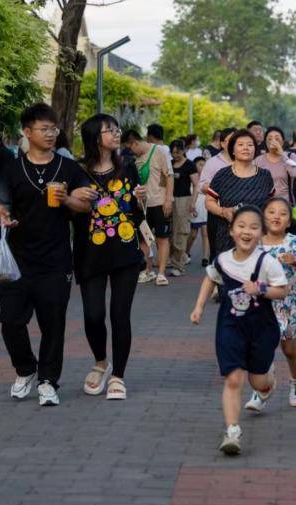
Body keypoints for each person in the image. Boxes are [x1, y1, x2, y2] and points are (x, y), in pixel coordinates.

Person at [0, 102, 97, 407]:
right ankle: (25, 370)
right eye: (44, 129)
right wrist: (3, 215)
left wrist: (66, 199)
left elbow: (87, 204)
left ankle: (48, 381)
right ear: (27, 132)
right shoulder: (11, 168)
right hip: (17, 259)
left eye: (54, 129)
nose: (50, 134)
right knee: (10, 320)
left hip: (56, 259)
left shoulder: (68, 167)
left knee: (53, 323)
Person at [190, 205, 289, 455]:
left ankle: (268, 382)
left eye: (254, 227)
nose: (247, 231)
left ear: (261, 233)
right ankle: (232, 430)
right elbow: (210, 278)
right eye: (241, 226)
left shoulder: (267, 262)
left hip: (261, 329)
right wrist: (199, 307)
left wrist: (261, 289)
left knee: (257, 382)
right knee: (233, 378)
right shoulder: (223, 260)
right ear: (232, 230)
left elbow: (282, 290)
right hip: (230, 327)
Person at [75, 114, 147, 401]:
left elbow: (137, 209)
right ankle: (100, 362)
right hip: (89, 252)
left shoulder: (128, 166)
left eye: (117, 129)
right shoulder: (76, 171)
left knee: (120, 314)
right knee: (93, 315)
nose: (116, 134)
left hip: (124, 252)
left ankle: (118, 375)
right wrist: (74, 196)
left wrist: (140, 197)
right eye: (109, 130)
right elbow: (67, 209)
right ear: (95, 136)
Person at [244, 197, 296, 411]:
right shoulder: (255, 242)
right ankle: (261, 389)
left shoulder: (294, 242)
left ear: (289, 221)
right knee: (262, 348)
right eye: (272, 212)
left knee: (289, 349)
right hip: (262, 304)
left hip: (288, 303)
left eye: (283, 213)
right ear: (264, 217)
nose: (277, 216)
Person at [205, 130, 274, 256]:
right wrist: (223, 211)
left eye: (250, 145)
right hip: (227, 236)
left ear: (255, 149)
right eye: (241, 145)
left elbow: (271, 204)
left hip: (258, 238)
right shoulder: (222, 175)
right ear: (232, 150)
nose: (246, 148)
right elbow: (209, 201)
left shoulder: (265, 176)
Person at [122, 129, 174, 286]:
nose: (130, 151)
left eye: (130, 147)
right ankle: (147, 270)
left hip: (159, 203)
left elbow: (169, 176)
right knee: (144, 238)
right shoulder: (135, 159)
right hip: (142, 206)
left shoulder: (159, 151)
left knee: (161, 238)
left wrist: (168, 200)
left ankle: (161, 273)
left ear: (135, 143)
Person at [199, 127, 237, 260]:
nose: (234, 143)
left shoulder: (245, 161)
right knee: (217, 253)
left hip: (240, 212)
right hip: (217, 212)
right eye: (230, 140)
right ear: (222, 143)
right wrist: (222, 187)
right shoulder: (213, 162)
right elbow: (202, 185)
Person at [168, 139, 199, 276]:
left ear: (184, 150)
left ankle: (178, 265)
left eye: (178, 152)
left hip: (183, 200)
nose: (175, 155)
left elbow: (197, 185)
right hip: (169, 199)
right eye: (173, 152)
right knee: (169, 233)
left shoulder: (190, 165)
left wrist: (193, 202)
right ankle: (176, 258)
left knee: (181, 232)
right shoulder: (170, 164)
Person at [255, 127, 296, 202]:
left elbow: (294, 173)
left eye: (277, 139)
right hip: (265, 204)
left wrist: (282, 154)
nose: (273, 141)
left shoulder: (291, 156)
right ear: (266, 142)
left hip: (286, 202)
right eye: (269, 139)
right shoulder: (258, 160)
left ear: (282, 142)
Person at [188, 156, 210, 267]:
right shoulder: (191, 179)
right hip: (195, 207)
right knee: (192, 233)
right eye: (200, 164)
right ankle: (186, 252)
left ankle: (205, 257)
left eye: (204, 164)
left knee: (205, 233)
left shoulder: (209, 178)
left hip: (206, 207)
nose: (203, 167)